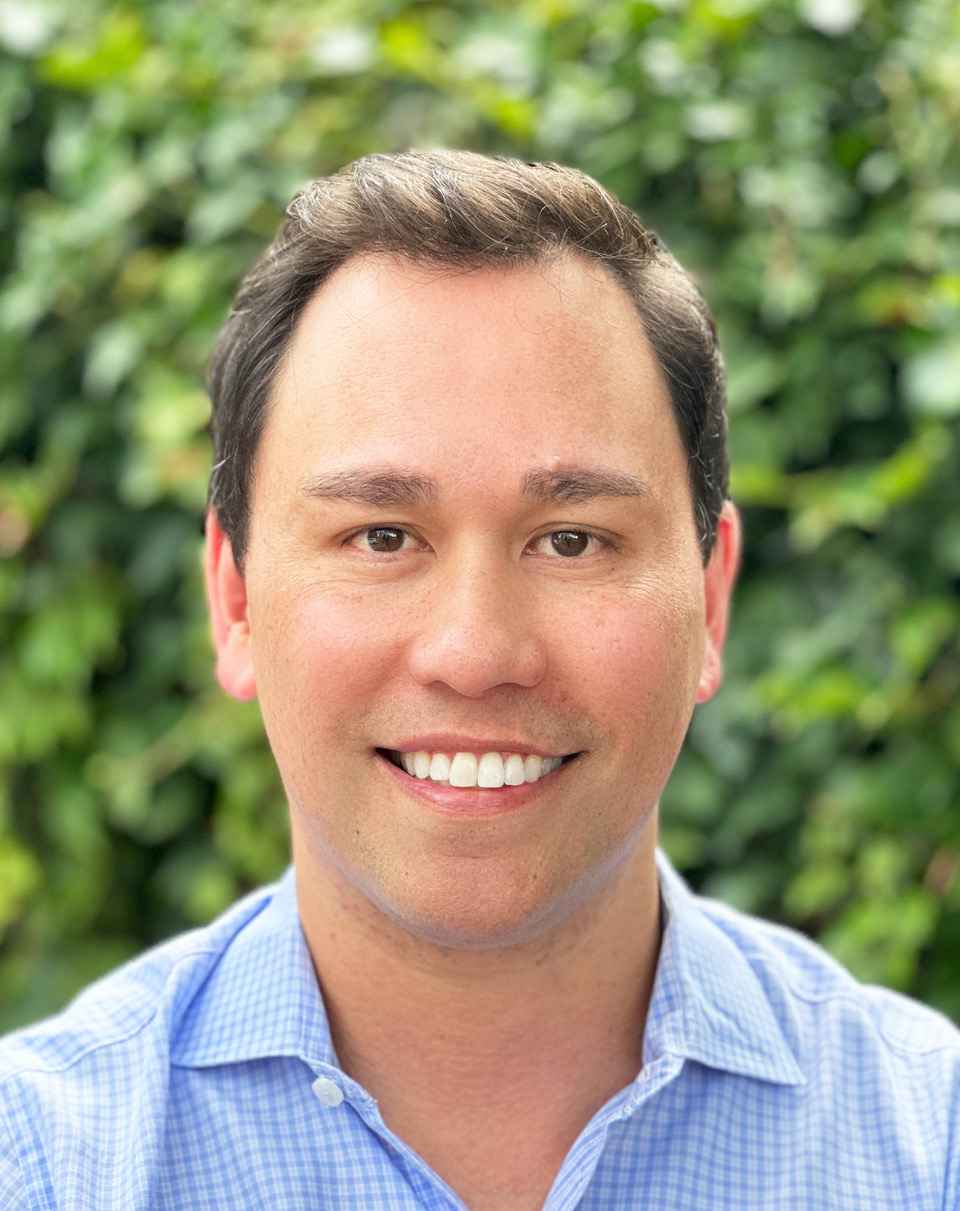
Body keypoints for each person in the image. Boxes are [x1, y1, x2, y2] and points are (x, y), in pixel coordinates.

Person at [1, 150, 957, 1211]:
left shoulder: (932, 1146)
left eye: (573, 540)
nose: (476, 650)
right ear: (234, 601)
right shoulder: (41, 1162)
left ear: (711, 599)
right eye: (381, 534)